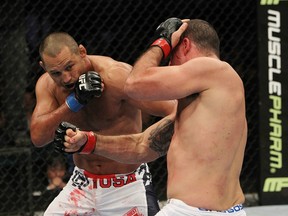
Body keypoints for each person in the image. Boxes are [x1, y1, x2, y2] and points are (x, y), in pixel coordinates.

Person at [58, 18, 247, 215]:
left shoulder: (214, 69)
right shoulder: (200, 110)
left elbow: (134, 85)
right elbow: (141, 147)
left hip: (192, 211)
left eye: (171, 56)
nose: (171, 64)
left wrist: (162, 43)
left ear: (185, 44)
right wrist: (88, 142)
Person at [30, 32, 176, 215]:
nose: (66, 78)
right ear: (44, 68)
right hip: (82, 182)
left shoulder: (116, 76)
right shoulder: (48, 85)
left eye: (69, 67)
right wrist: (74, 102)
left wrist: (148, 143)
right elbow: (38, 137)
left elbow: (173, 110)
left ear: (82, 52)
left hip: (127, 183)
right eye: (56, 73)